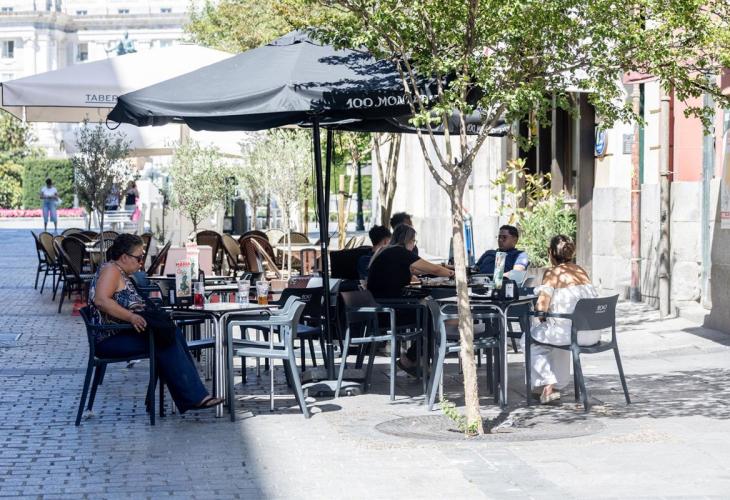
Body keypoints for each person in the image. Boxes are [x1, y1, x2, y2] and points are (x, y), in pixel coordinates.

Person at [88, 234, 223, 411]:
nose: (141, 262)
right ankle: (194, 398)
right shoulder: (111, 271)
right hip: (110, 340)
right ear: (124, 257)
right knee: (165, 340)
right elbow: (101, 300)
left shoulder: (120, 272)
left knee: (170, 333)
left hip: (123, 333)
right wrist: (131, 317)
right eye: (139, 258)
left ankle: (194, 396)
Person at [367, 224, 453, 375]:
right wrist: (454, 274)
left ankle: (419, 360)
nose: (414, 245)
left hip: (380, 309)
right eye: (414, 241)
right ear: (408, 240)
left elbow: (417, 269)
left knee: (427, 312)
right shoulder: (400, 252)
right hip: (388, 311)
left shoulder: (387, 251)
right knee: (431, 316)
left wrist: (444, 268)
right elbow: (433, 269)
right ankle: (411, 359)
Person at [529, 235, 600, 404]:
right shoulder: (581, 271)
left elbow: (541, 308)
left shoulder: (553, 273)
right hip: (592, 332)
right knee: (554, 333)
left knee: (530, 338)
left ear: (551, 253)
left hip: (571, 334)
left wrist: (541, 316)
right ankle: (554, 385)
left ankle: (548, 385)